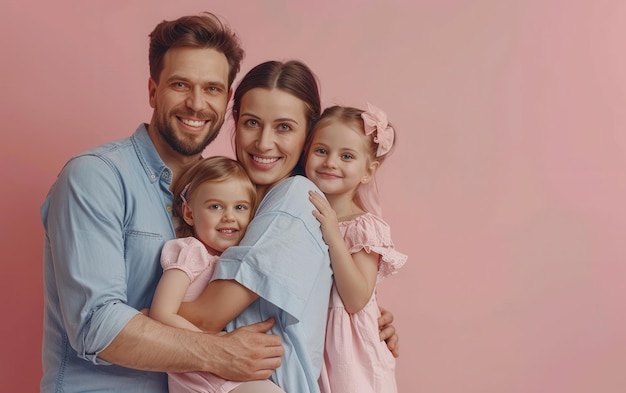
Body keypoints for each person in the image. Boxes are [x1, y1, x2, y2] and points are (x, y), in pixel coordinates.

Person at [40, 13, 284, 392]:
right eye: (180, 84)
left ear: (226, 100)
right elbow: (95, 325)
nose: (197, 104)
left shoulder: (227, 194)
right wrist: (219, 353)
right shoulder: (96, 177)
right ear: (153, 91)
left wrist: (359, 317)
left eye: (213, 89)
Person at [178, 60, 333, 393]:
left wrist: (135, 315)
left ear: (309, 135)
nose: (263, 143)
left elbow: (206, 318)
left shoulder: (295, 199)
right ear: (235, 121)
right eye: (251, 123)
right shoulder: (227, 199)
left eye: (284, 127)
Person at [303, 104, 408, 392]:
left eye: (346, 156)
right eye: (321, 151)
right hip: (315, 343)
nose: (330, 162)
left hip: (352, 354)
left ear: (368, 171)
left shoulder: (363, 227)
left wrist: (333, 235)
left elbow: (356, 298)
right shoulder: (301, 215)